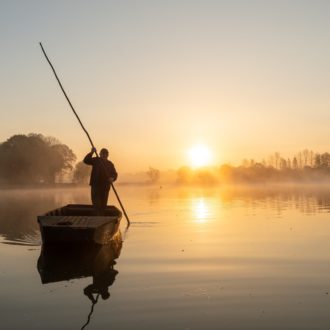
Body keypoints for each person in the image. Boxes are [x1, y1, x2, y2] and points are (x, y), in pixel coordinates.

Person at [83, 147, 118, 215]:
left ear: (107, 155)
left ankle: (102, 218)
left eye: (105, 154)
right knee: (96, 205)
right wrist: (91, 152)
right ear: (100, 154)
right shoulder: (96, 160)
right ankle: (97, 218)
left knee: (103, 205)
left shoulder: (110, 164)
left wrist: (112, 178)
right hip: (95, 186)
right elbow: (86, 160)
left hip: (105, 187)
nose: (104, 156)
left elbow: (115, 174)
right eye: (102, 154)